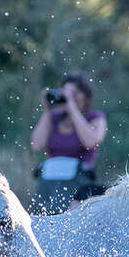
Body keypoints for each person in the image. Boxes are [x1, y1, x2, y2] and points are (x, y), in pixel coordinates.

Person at [29, 73, 107, 214]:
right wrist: (47, 110)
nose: (69, 97)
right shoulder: (53, 118)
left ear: (86, 97)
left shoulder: (95, 118)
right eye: (65, 92)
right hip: (50, 185)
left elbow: (91, 142)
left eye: (75, 94)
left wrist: (73, 109)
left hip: (79, 185)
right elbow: (36, 144)